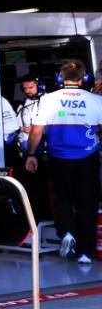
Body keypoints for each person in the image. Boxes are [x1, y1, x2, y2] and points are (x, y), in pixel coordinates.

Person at [25, 59, 100, 264]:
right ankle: (85, 252)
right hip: (88, 158)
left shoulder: (48, 99)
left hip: (59, 158)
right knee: (87, 204)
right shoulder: (95, 100)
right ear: (84, 78)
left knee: (62, 199)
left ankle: (67, 233)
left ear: (60, 77)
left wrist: (31, 155)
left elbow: (36, 131)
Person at [15, 75, 52, 220]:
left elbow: (57, 125)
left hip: (46, 153)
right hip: (27, 153)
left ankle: (48, 217)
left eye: (31, 87)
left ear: (40, 86)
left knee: (47, 189)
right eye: (25, 89)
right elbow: (16, 126)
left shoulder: (51, 101)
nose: (28, 91)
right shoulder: (23, 105)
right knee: (32, 189)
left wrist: (37, 129)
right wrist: (21, 129)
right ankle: (35, 219)